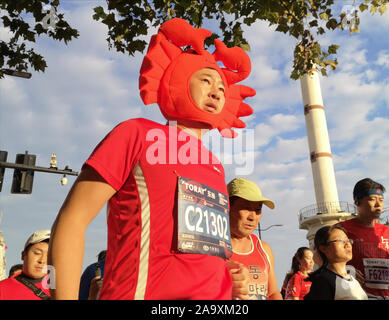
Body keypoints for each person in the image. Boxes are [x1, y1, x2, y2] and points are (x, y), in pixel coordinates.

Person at [48, 18, 255, 300]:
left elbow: (195, 253)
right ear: (178, 79)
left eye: (221, 86)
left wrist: (226, 275)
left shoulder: (216, 166)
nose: (216, 90)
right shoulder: (136, 134)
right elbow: (71, 222)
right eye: (206, 79)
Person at [338, 178, 389, 299]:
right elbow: (319, 258)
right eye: (372, 199)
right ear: (357, 201)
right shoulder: (341, 230)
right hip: (352, 296)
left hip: (384, 296)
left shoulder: (388, 232)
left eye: (381, 200)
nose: (378, 205)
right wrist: (344, 271)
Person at [227, 177, 282, 300]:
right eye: (246, 208)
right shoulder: (211, 247)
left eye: (258, 210)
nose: (253, 217)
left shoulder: (264, 249)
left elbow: (273, 293)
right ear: (227, 207)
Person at [304, 225, 368, 300]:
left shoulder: (352, 279)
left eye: (348, 240)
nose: (347, 245)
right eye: (340, 240)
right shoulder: (323, 281)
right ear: (324, 248)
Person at [0, 230, 51, 300]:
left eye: (49, 256)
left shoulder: (62, 289)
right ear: (23, 255)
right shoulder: (2, 289)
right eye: (37, 253)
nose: (42, 261)